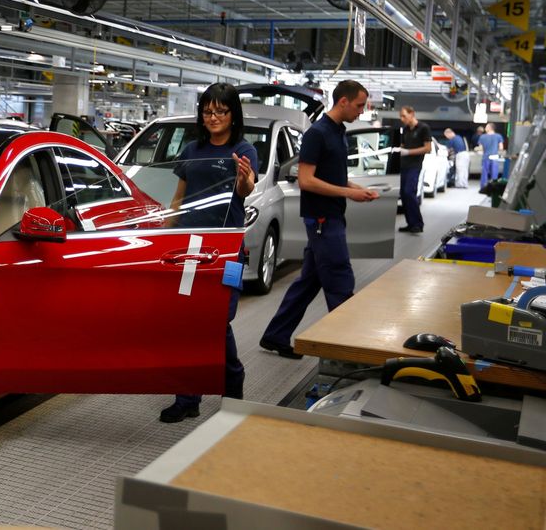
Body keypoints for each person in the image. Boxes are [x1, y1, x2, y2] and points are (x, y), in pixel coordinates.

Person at [159, 83, 257, 423]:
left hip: (227, 250)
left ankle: (233, 384)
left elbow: (246, 188)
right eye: (207, 111)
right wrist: (165, 234)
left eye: (220, 111)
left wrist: (243, 177)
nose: (213, 117)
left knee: (218, 320)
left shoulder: (243, 149)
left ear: (233, 115)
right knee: (188, 322)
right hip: (190, 249)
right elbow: (179, 197)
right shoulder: (192, 149)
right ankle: (188, 397)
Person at [260, 80, 379, 359]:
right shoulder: (317, 133)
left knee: (309, 282)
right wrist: (348, 193)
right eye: (359, 105)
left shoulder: (338, 132)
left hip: (332, 216)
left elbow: (332, 176)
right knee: (340, 281)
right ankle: (346, 353)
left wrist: (356, 188)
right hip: (322, 220)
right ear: (343, 101)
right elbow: (306, 180)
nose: (362, 111)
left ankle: (275, 335)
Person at [396, 107, 431, 234]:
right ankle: (410, 224)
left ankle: (418, 224)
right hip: (403, 165)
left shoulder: (423, 128)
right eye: (401, 116)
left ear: (412, 114)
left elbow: (428, 148)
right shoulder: (405, 129)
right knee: (404, 194)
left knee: (409, 192)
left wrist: (408, 152)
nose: (402, 119)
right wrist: (397, 149)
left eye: (404, 116)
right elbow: (402, 145)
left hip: (414, 165)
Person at [477, 123, 505, 188]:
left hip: (486, 156)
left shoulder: (482, 137)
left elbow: (481, 148)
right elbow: (501, 147)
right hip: (494, 157)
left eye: (486, 127)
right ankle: (494, 187)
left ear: (489, 128)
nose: (485, 128)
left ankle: (483, 187)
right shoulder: (498, 136)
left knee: (484, 173)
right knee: (494, 173)